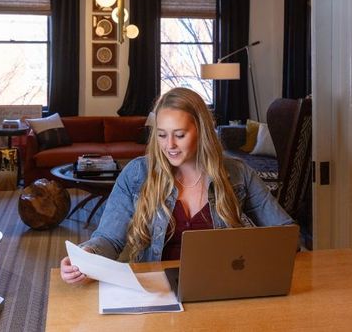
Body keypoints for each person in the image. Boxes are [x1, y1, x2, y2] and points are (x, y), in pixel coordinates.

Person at [60, 87, 293, 284]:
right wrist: (86, 256)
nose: (169, 145)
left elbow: (286, 234)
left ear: (201, 131)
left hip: (222, 286)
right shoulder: (137, 174)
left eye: (179, 135)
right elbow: (109, 240)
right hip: (155, 289)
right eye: (162, 135)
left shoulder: (237, 173)